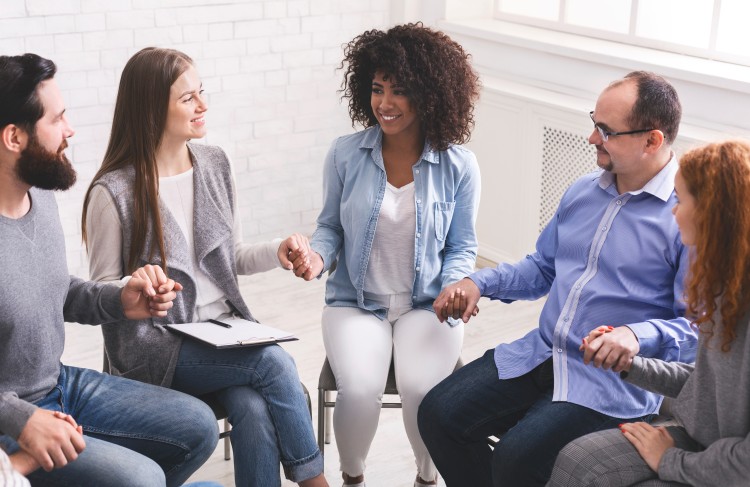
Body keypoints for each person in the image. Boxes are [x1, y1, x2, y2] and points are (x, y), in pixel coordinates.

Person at [418, 71, 700, 487]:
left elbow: (699, 327)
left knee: (515, 458)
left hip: (611, 383)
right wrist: (480, 283)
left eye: (606, 131)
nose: (591, 138)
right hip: (543, 352)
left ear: (652, 140)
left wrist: (636, 336)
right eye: (594, 122)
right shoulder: (583, 191)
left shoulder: (687, 217)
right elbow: (543, 267)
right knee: (438, 414)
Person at [80, 47, 327, 487]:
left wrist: (278, 251)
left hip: (224, 334)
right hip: (154, 346)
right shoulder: (113, 191)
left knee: (252, 406)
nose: (203, 105)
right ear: (153, 109)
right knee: (273, 365)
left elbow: (227, 257)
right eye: (187, 98)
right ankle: (314, 481)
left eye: (202, 92)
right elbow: (100, 295)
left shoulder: (213, 163)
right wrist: (135, 286)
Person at [0, 53, 219, 487]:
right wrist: (21, 420)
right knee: (140, 478)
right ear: (14, 137)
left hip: (60, 385)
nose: (70, 130)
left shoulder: (37, 195)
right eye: (57, 120)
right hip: (12, 421)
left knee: (198, 426)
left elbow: (55, 292)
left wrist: (121, 298)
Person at [283, 23, 481, 487]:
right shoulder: (346, 155)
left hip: (427, 303)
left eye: (399, 91)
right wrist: (316, 258)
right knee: (360, 389)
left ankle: (427, 478)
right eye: (377, 89)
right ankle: (352, 478)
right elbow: (329, 229)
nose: (384, 104)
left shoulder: (459, 165)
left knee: (421, 391)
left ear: (430, 95)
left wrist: (457, 285)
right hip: (356, 301)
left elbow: (462, 246)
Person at [547, 140, 750, 487]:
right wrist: (630, 366)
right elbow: (706, 387)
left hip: (729, 464)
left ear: (714, 215)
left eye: (683, 200)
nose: (674, 211)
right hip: (701, 439)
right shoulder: (725, 292)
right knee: (576, 460)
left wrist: (671, 461)